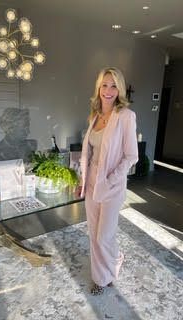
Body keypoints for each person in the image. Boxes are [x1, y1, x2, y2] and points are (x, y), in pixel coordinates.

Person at [77, 67, 138, 295]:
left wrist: (112, 178)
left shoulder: (126, 117)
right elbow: (88, 153)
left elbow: (132, 155)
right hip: (91, 183)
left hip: (112, 187)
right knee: (94, 233)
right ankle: (100, 277)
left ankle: (114, 262)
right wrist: (82, 180)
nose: (108, 90)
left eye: (114, 85)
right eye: (105, 85)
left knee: (105, 236)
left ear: (119, 89)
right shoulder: (94, 116)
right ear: (98, 88)